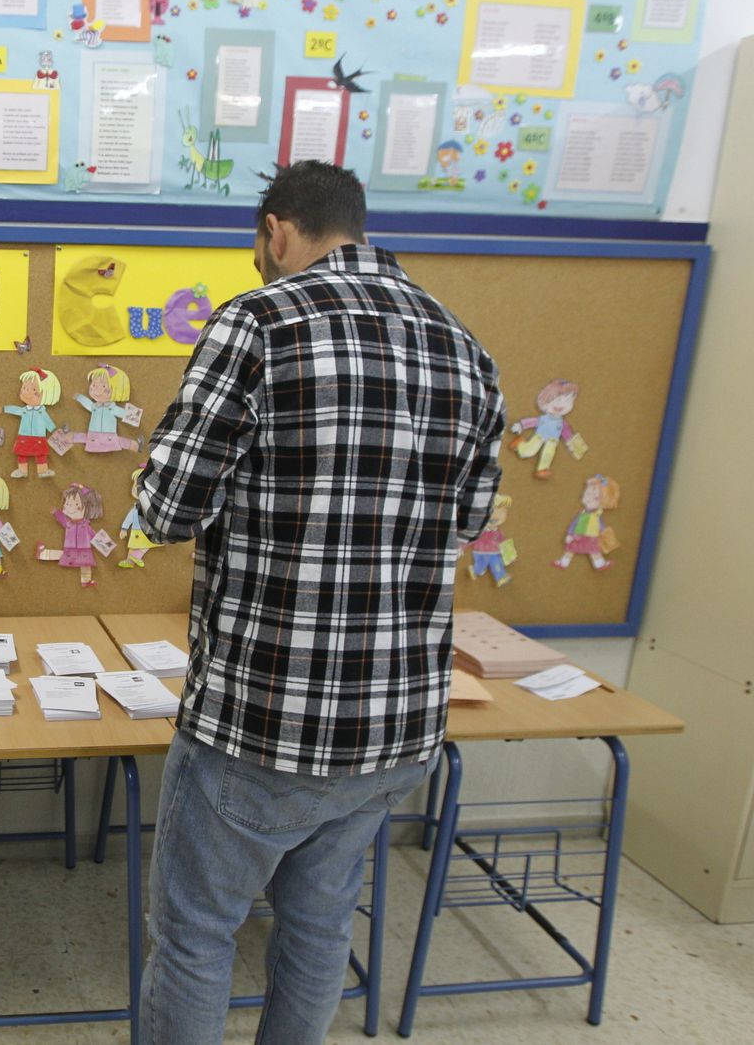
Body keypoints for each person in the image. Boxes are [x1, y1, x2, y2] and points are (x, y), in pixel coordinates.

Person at [134, 160, 506, 1043]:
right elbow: (472, 519)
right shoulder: (465, 346)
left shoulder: (259, 322)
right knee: (318, 927)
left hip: (262, 721)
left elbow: (164, 509)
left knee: (194, 934)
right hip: (398, 727)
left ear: (275, 231)